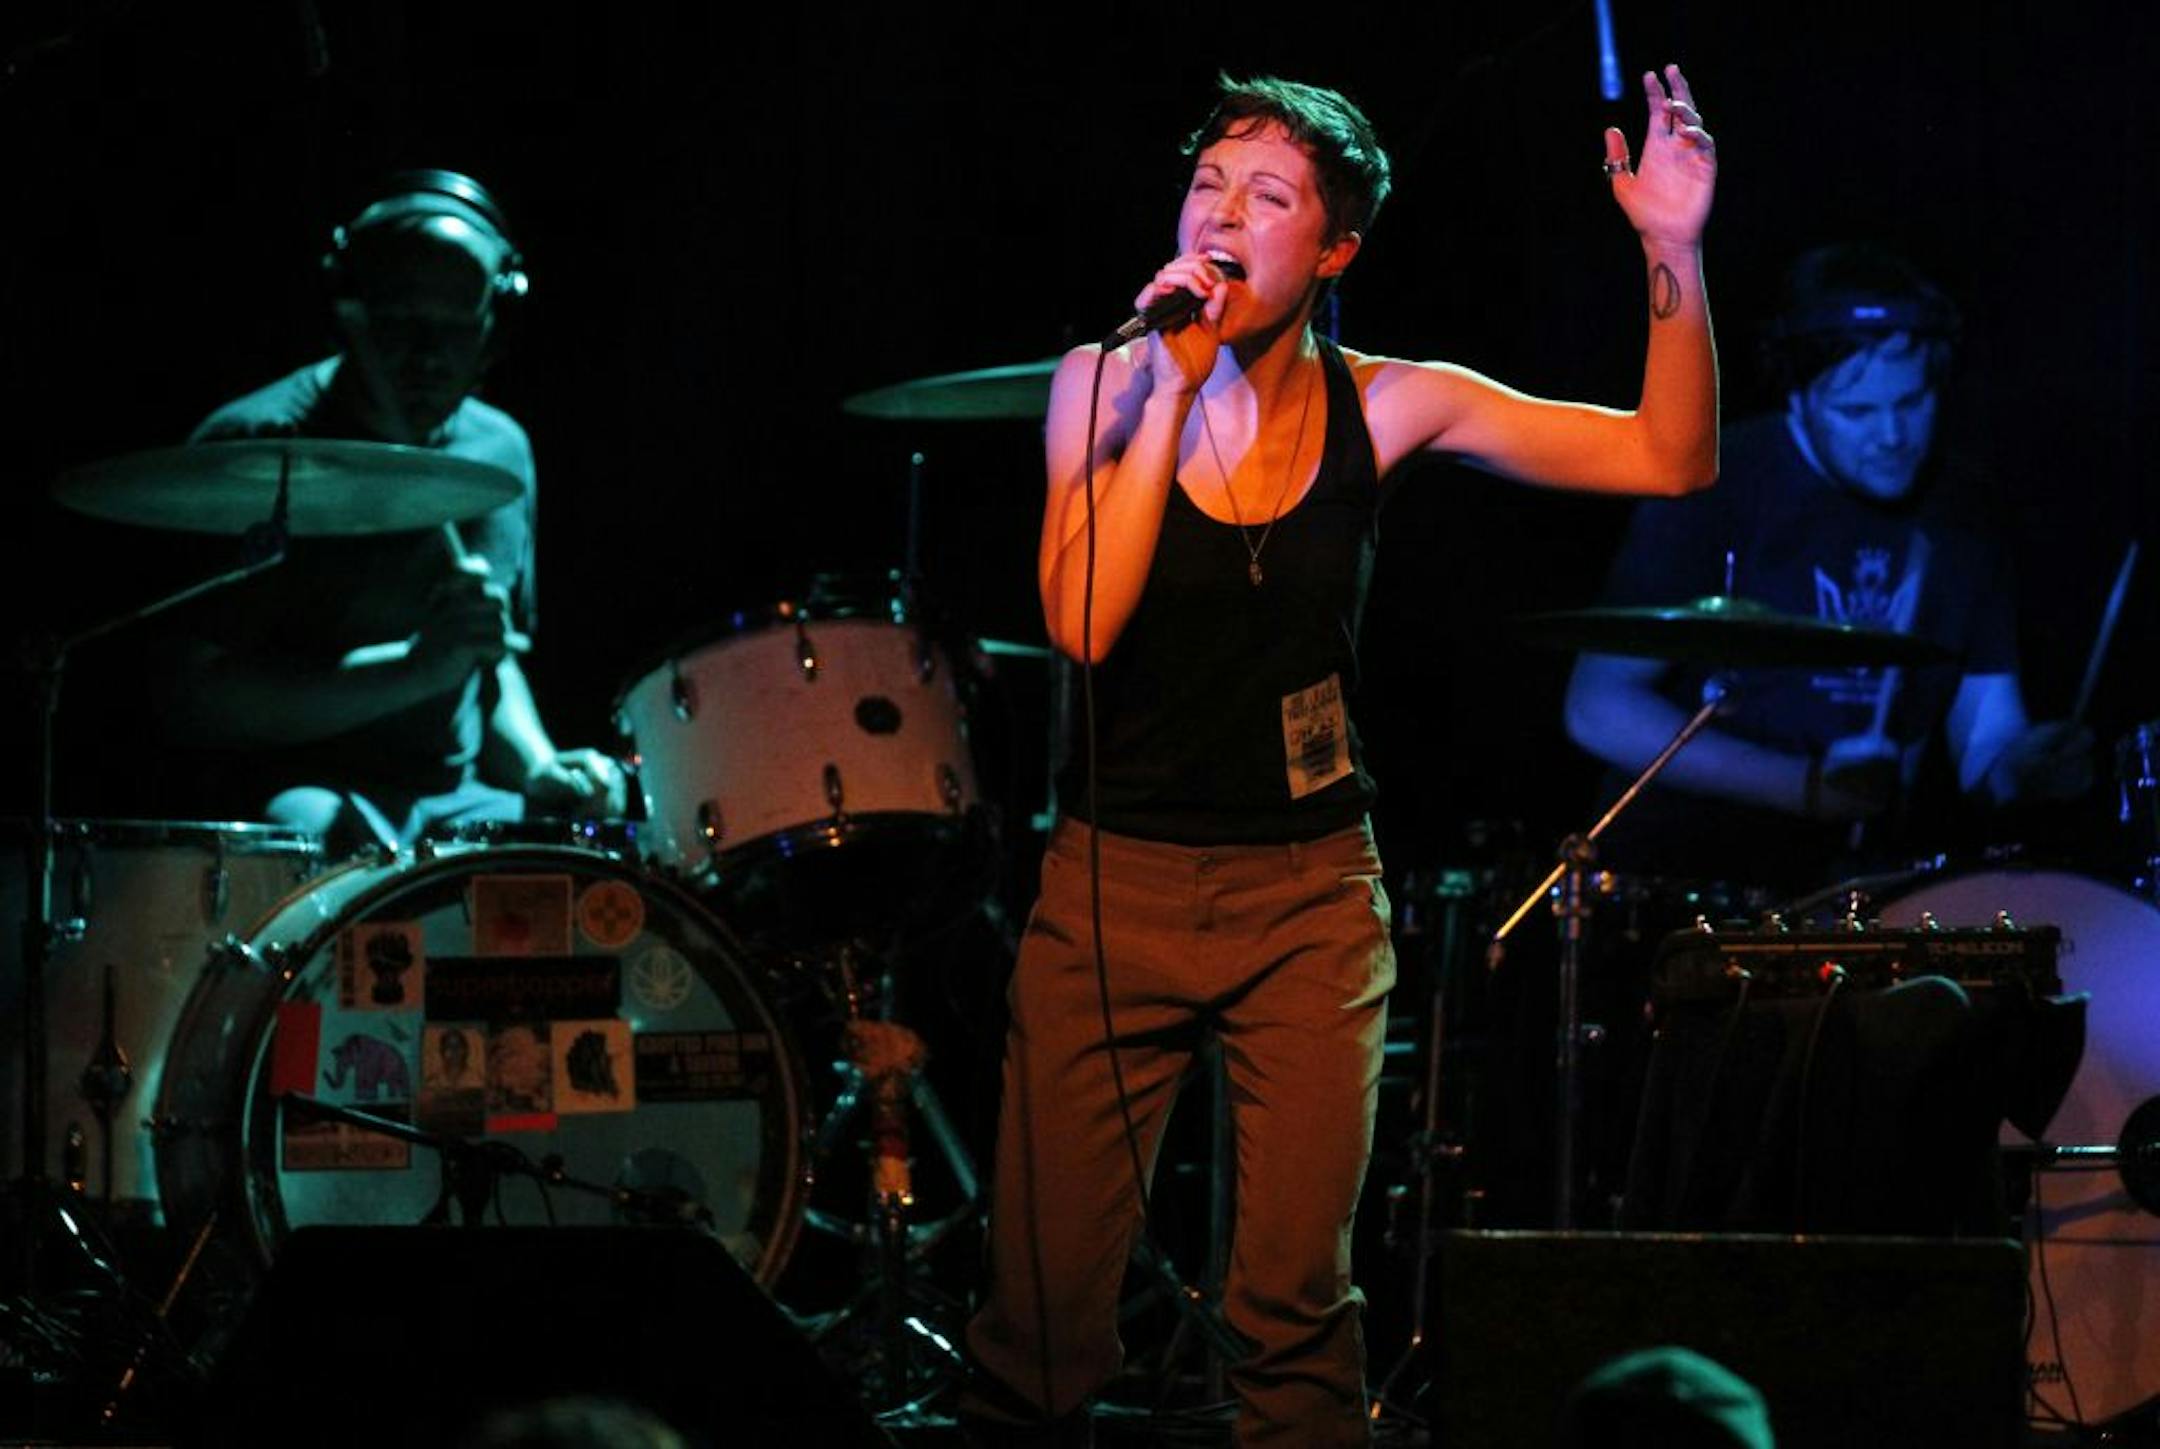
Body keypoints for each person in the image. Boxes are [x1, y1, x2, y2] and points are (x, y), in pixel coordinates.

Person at [961, 68, 1718, 1447]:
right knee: (1043, 1313)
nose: (1225, 214)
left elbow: (1669, 459)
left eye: (1268, 195)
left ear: (1334, 248)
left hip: (1307, 899)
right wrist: (1167, 397)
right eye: (1208, 185)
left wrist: (1671, 247)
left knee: (1296, 1307)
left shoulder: (1391, 404)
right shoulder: (1103, 384)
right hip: (1110, 891)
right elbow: (1079, 625)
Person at [1562, 243, 2092, 895]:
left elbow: (1986, 739)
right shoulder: (1717, 481)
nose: (1893, 435)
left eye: (1913, 402)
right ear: (1798, 397)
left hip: (1858, 891)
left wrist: (2027, 768)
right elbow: (1596, 706)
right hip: (1683, 879)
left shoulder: (1962, 511)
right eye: (1858, 411)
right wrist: (1806, 789)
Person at [152, 169, 623, 853]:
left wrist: (542, 764)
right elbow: (192, 698)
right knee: (306, 835)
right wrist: (414, 669)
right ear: (352, 311)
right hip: (310, 788)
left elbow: (488, 659)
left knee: (599, 858)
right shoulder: (254, 448)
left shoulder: (501, 450)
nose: (428, 357)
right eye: (403, 323)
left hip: (457, 797)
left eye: (455, 326)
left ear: (496, 326)